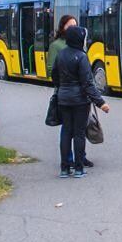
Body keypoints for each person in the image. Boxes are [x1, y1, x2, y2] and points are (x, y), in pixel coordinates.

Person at [51, 26, 109, 179]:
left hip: (63, 99)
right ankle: (78, 169)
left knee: (66, 133)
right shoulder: (81, 56)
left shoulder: (61, 54)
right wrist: (101, 103)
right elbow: (88, 83)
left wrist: (63, 87)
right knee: (79, 134)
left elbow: (54, 76)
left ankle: (64, 169)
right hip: (80, 101)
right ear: (80, 39)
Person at [46, 15, 94, 168]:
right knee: (68, 129)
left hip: (75, 93)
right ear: (62, 27)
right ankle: (69, 159)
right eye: (70, 25)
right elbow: (50, 70)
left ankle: (80, 158)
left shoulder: (78, 46)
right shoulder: (57, 46)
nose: (73, 28)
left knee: (79, 128)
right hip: (69, 93)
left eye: (75, 25)